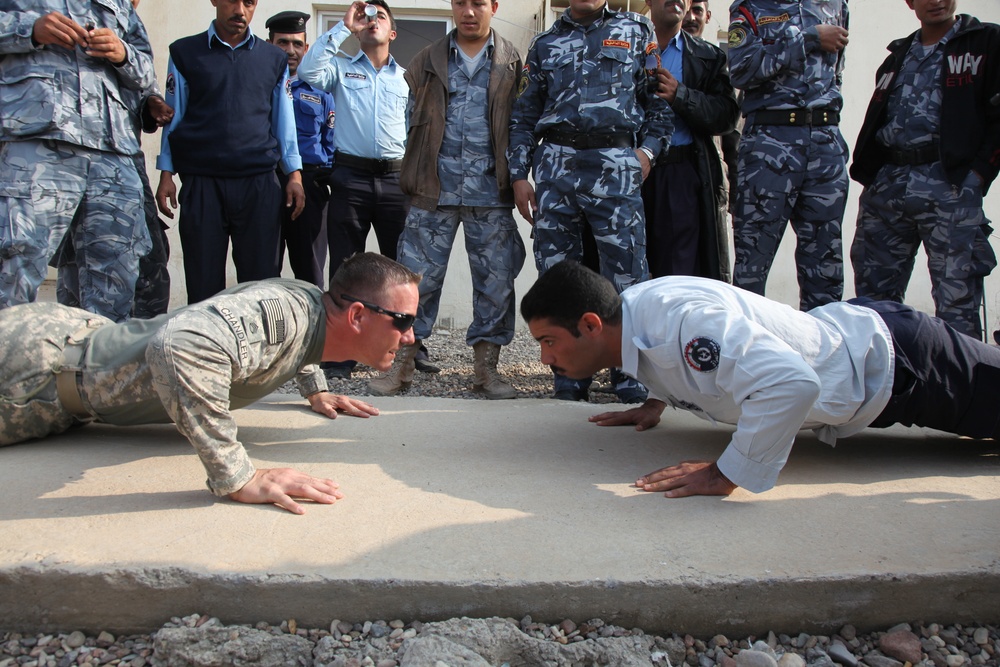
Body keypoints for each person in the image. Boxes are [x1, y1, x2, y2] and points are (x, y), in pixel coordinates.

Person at [521, 260, 1000, 498]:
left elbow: (792, 384)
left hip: (900, 362)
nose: (545, 360)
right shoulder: (633, 315)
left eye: (548, 341)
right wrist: (654, 400)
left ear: (589, 325)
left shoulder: (684, 326)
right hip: (865, 340)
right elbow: (665, 357)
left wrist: (725, 473)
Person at [0, 253, 419, 515]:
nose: (410, 338)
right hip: (30, 374)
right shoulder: (286, 316)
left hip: (61, 354)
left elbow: (293, 342)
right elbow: (180, 345)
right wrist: (238, 475)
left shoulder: (309, 308)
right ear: (358, 316)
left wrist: (315, 387)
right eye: (404, 321)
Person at [507, 0, 673, 404]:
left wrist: (647, 154)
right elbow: (524, 115)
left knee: (627, 274)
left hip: (615, 164)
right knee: (559, 275)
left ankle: (630, 373)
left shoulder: (636, 31)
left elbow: (660, 102)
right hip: (556, 166)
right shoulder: (545, 43)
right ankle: (568, 375)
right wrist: (518, 175)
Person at [366, 0, 527, 399]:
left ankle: (487, 371)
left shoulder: (511, 61)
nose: (468, 12)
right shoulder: (425, 60)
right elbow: (410, 122)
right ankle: (400, 366)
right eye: (460, 3)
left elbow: (521, 123)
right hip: (432, 191)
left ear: (493, 6)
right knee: (413, 282)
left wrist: (520, 175)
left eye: (478, 4)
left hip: (492, 193)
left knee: (495, 282)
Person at [849, 0, 1000, 342]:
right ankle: (889, 390)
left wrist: (978, 175)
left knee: (956, 305)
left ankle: (962, 392)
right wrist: (872, 178)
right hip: (889, 187)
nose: (936, 1)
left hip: (950, 186)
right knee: (874, 307)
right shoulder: (898, 55)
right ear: (910, 2)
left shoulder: (986, 42)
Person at [0, 1, 155, 323]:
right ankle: (11, 370)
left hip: (112, 152)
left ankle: (100, 371)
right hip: (35, 142)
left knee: (117, 276)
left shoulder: (120, 4)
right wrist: (29, 28)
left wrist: (122, 53)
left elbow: (146, 71)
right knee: (14, 266)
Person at [155, 0, 306, 304]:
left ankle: (258, 351)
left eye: (248, 3)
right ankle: (205, 349)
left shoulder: (273, 59)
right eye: (232, 1)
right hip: (202, 185)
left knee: (260, 285)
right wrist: (166, 172)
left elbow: (283, 122)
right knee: (202, 281)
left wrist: (295, 174)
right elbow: (175, 116)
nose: (239, 10)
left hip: (259, 185)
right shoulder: (185, 53)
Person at [297, 0, 409, 379]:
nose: (373, 21)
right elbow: (309, 72)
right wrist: (344, 27)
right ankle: (340, 352)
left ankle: (406, 349)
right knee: (346, 266)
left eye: (381, 17)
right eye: (368, 16)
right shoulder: (341, 69)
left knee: (403, 268)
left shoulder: (406, 78)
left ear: (392, 32)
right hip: (351, 177)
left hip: (396, 181)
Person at [727, 0, 850, 311]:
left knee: (825, 269)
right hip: (770, 143)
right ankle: (748, 354)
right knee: (752, 267)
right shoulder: (751, 6)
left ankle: (823, 355)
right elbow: (740, 70)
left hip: (824, 144)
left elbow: (835, 73)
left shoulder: (835, 4)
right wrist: (807, 39)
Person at [642, 0, 738, 281]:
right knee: (627, 280)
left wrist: (681, 96)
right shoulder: (624, 47)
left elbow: (727, 116)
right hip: (629, 175)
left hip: (679, 178)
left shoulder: (707, 57)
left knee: (678, 278)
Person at [266, 10, 337, 289]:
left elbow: (331, 142)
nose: (290, 51)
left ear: (306, 49)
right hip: (267, 181)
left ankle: (314, 332)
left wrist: (322, 184)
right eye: (283, 42)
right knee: (263, 268)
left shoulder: (321, 92)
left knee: (310, 271)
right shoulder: (259, 85)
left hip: (310, 184)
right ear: (269, 43)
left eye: (297, 44)